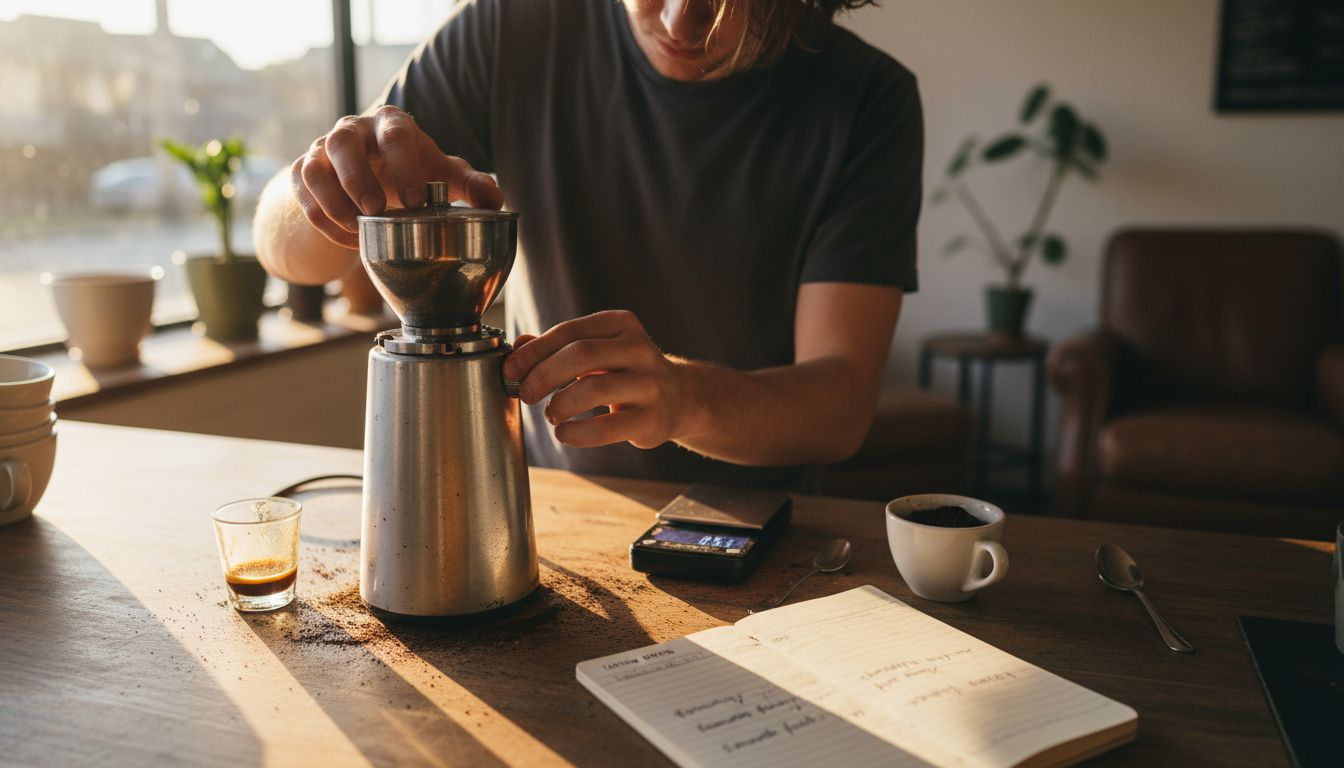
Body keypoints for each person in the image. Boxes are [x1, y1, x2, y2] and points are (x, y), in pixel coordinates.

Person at [254, 0, 922, 488]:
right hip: (552, 505)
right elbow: (285, 254)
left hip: (757, 529)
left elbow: (839, 407)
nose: (682, 21)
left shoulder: (865, 98)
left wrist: (684, 399)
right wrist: (317, 189)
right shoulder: (512, 29)